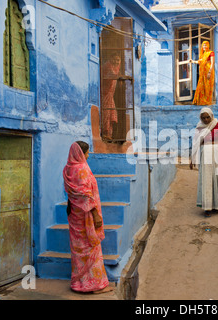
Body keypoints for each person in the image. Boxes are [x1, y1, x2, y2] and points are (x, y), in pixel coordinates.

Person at [63, 141, 113, 294]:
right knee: (92, 246)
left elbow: (72, 193)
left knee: (78, 249)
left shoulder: (67, 169)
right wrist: (95, 214)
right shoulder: (82, 169)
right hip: (86, 215)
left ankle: (78, 283)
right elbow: (86, 195)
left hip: (73, 213)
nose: (88, 155)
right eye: (86, 152)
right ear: (80, 153)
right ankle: (95, 285)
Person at [190, 108, 218, 217]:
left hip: (216, 155)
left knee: (217, 179)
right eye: (203, 117)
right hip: (205, 155)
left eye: (207, 117)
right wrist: (192, 159)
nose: (206, 120)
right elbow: (196, 143)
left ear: (211, 116)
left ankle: (216, 205)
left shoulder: (217, 124)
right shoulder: (199, 127)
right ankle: (207, 207)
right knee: (206, 180)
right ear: (200, 118)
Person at [101, 54, 121, 140]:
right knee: (106, 114)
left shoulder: (116, 68)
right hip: (105, 94)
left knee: (111, 115)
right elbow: (112, 75)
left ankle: (109, 134)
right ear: (111, 59)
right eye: (115, 59)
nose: (116, 62)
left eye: (118, 60)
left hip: (110, 95)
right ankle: (105, 133)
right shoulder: (107, 66)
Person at [190, 41, 215, 105]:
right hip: (203, 72)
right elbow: (200, 62)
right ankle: (200, 101)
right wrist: (193, 61)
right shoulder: (203, 54)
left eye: (206, 45)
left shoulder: (211, 53)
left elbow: (212, 63)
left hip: (208, 71)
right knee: (202, 85)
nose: (204, 47)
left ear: (208, 46)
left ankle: (207, 101)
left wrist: (209, 72)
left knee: (207, 86)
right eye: (203, 45)